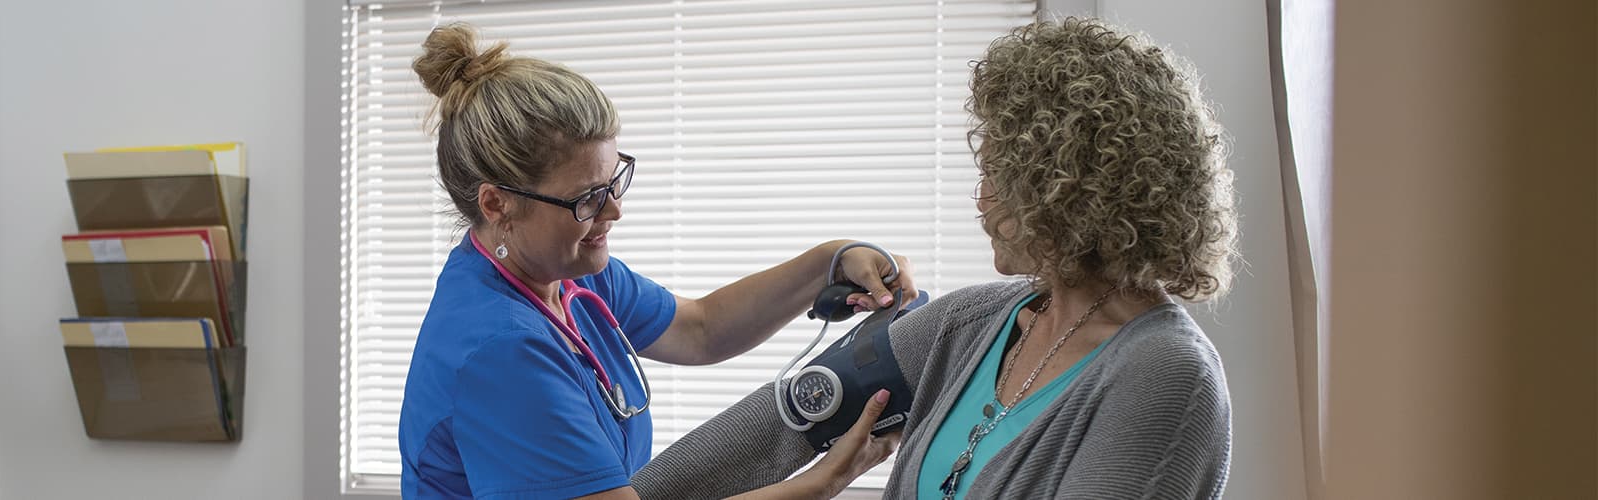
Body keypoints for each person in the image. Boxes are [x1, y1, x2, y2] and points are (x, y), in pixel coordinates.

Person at [630, 17, 1238, 499]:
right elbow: (784, 421)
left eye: (998, 173)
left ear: (1068, 187)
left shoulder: (1164, 376)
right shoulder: (972, 323)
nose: (981, 198)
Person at [396, 23, 917, 500]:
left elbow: (701, 328)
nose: (615, 211)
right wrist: (826, 480)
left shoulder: (567, 279)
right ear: (496, 203)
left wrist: (830, 261)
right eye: (587, 198)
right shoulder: (500, 348)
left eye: (613, 181)